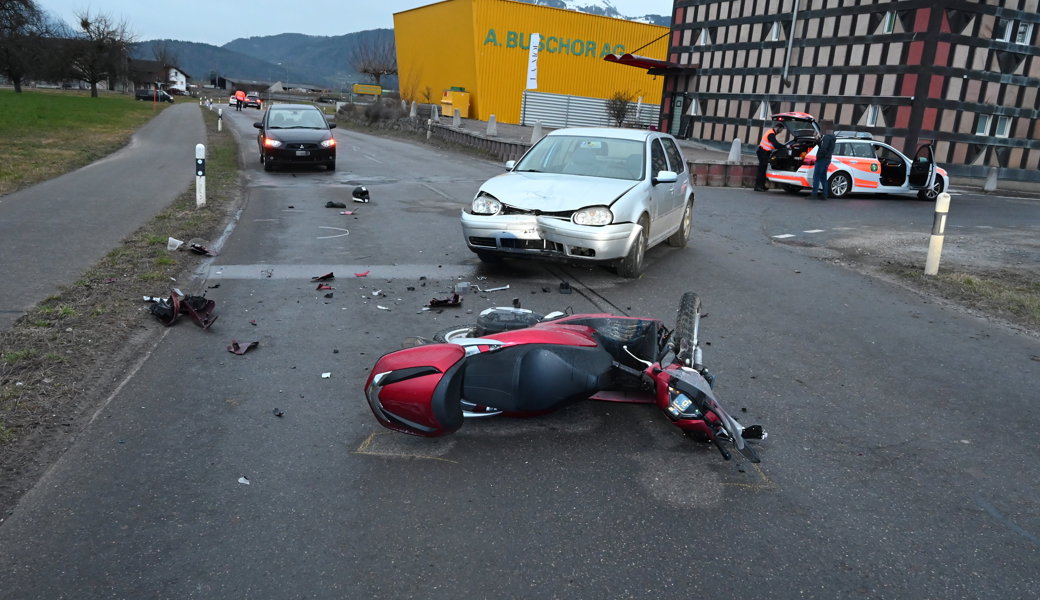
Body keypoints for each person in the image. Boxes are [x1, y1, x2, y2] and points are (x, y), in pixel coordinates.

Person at [810, 122, 837, 199]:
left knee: (816, 176)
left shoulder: (827, 138)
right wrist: (818, 141)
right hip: (827, 159)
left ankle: (814, 194)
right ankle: (825, 194)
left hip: (822, 159)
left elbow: (823, 149)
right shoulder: (831, 138)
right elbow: (823, 147)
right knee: (823, 177)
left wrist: (819, 156)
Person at [755, 122, 783, 191]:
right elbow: (776, 144)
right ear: (777, 128)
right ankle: (758, 187)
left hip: (763, 152)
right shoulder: (771, 134)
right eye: (780, 130)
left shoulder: (770, 132)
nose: (780, 132)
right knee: (762, 170)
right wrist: (785, 146)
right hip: (763, 152)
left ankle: (762, 185)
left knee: (763, 169)